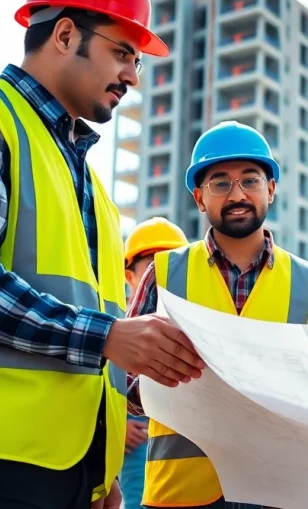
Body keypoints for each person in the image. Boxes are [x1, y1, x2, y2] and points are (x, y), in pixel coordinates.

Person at [0, 0, 204, 509]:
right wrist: (107, 336)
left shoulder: (92, 189)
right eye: (122, 53)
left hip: (71, 472)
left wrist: (100, 469)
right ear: (65, 35)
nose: (133, 76)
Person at [124, 120, 308, 509]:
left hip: (280, 491)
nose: (237, 194)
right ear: (199, 198)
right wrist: (168, 387)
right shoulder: (165, 272)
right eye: (220, 183)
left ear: (271, 189)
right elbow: (123, 381)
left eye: (250, 180)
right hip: (180, 494)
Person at [120, 217, 189, 509]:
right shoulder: (113, 327)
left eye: (168, 268)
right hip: (134, 441)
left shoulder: (194, 325)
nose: (159, 279)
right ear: (130, 276)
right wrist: (117, 424)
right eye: (150, 268)